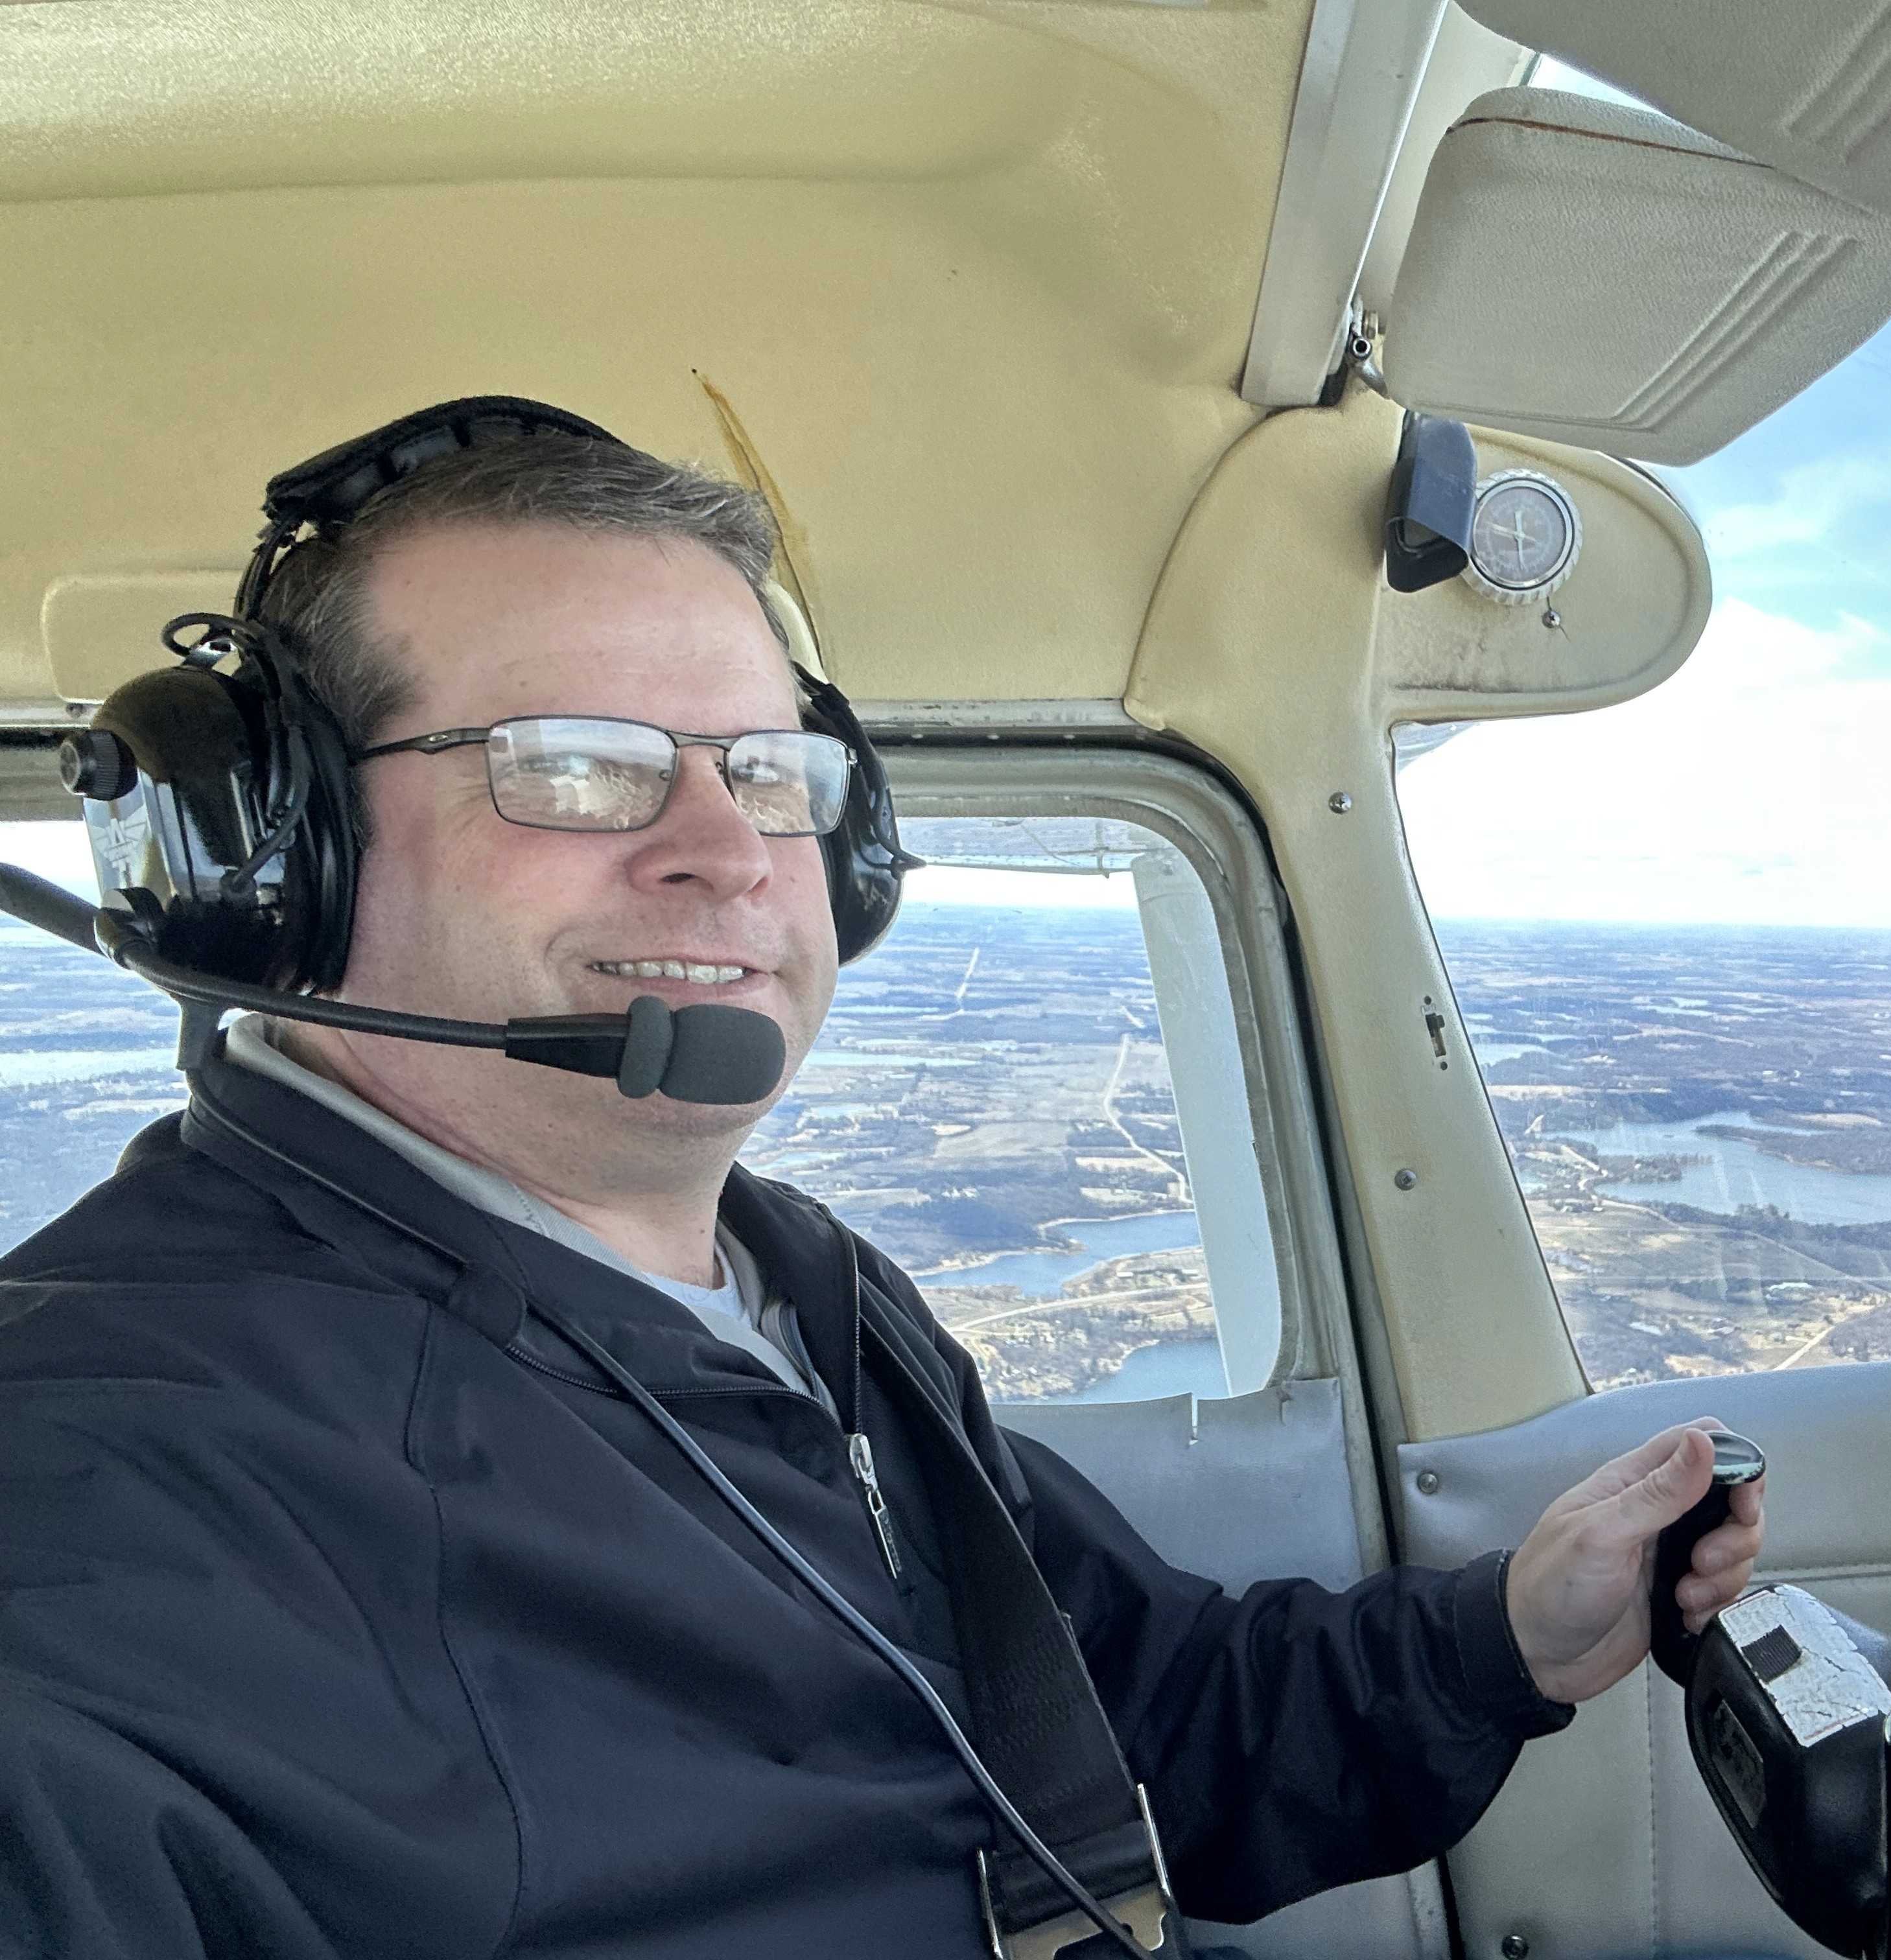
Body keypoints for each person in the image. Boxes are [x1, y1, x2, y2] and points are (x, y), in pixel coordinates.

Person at [0, 423, 1767, 1957]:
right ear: (273, 864)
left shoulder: (801, 1289)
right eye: (569, 763)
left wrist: (1501, 1639)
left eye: (768, 773)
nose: (720, 852)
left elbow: (1119, 1729)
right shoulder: (108, 1472)